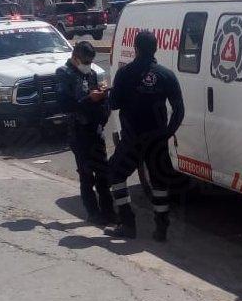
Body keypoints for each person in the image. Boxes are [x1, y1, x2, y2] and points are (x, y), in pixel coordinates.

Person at [106, 30, 185, 241]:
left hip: (132, 139)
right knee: (160, 184)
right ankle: (161, 229)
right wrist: (168, 133)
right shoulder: (167, 75)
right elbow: (179, 110)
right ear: (156, 48)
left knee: (116, 175)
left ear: (136, 48)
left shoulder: (124, 74)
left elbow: (114, 104)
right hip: (157, 140)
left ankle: (127, 223)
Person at [56, 41, 115, 225]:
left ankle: (108, 212)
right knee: (86, 174)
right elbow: (65, 104)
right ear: (75, 58)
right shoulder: (64, 74)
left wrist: (101, 96)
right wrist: (88, 98)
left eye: (90, 62)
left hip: (95, 129)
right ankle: (93, 212)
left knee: (103, 174)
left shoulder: (91, 73)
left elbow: (99, 101)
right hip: (79, 131)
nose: (87, 65)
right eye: (85, 61)